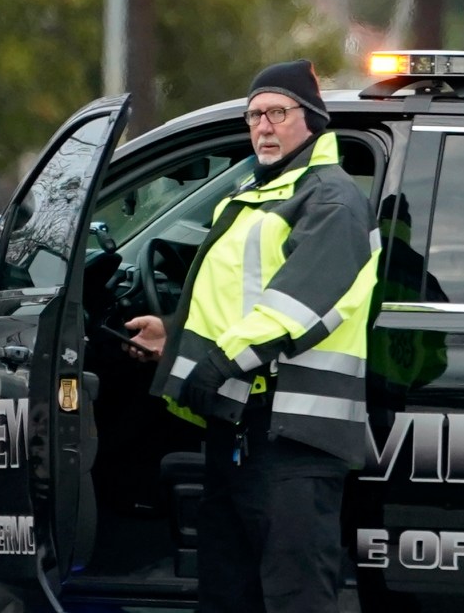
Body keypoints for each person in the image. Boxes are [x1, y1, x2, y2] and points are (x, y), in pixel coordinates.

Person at [124, 59, 381, 613]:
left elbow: (293, 305)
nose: (263, 126)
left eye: (277, 113)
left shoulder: (331, 201)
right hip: (240, 426)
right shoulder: (255, 195)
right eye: (254, 115)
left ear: (310, 119)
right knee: (227, 590)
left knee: (294, 594)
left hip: (295, 435)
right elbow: (234, 297)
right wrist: (175, 336)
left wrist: (216, 364)